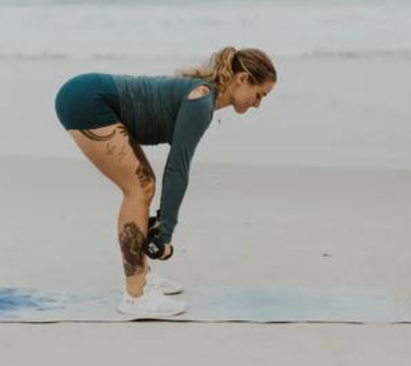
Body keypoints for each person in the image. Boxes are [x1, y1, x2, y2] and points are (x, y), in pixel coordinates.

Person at [54, 46, 277, 317]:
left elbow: (176, 168)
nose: (258, 104)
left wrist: (162, 224)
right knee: (137, 187)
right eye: (259, 95)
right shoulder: (201, 100)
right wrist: (166, 235)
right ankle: (135, 296)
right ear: (242, 79)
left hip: (87, 95)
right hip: (86, 100)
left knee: (144, 183)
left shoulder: (203, 95)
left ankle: (144, 276)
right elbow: (177, 169)